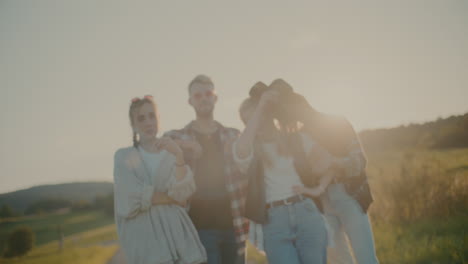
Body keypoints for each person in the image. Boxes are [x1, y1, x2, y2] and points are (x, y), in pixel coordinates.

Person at [233, 80, 331, 264]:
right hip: (274, 221)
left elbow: (329, 162)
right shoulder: (250, 150)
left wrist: (318, 189)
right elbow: (240, 150)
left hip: (306, 213)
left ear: (270, 114)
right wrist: (261, 106)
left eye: (259, 115)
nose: (256, 122)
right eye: (249, 120)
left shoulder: (296, 138)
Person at [283, 90, 380, 264]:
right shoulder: (299, 137)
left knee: (366, 259)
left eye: (292, 112)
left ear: (302, 105)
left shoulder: (338, 123)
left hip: (350, 196)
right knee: (339, 261)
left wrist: (333, 162)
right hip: (322, 203)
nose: (293, 119)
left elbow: (359, 160)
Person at [164, 75, 248, 264]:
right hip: (199, 228)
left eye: (208, 93)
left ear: (215, 98)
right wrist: (188, 146)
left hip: (233, 227)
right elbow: (160, 144)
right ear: (190, 101)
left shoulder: (232, 135)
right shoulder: (180, 135)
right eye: (198, 95)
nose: (204, 98)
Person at [113, 95, 207, 264]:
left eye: (152, 116)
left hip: (179, 241)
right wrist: (171, 199)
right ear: (133, 125)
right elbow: (129, 200)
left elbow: (183, 195)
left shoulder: (171, 153)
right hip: (147, 247)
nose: (148, 122)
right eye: (141, 118)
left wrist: (179, 155)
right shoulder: (123, 156)